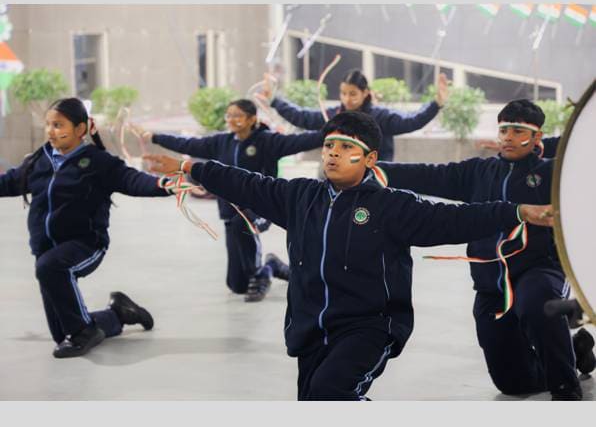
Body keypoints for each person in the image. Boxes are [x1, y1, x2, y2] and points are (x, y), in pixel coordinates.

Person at [144, 110, 554, 400]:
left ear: (370, 159)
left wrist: (517, 211)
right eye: (328, 146)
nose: (333, 154)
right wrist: (190, 167)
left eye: (346, 147)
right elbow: (245, 183)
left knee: (330, 394)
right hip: (310, 328)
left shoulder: (391, 206)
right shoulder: (299, 196)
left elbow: (456, 218)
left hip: (370, 326)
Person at [376, 99, 593, 400]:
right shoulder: (478, 172)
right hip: (490, 283)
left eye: (518, 131)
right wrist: (375, 168)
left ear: (537, 137)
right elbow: (429, 174)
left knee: (537, 305)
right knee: (513, 384)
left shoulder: (554, 173)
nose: (508, 137)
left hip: (539, 269)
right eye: (504, 130)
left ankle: (566, 392)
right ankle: (577, 351)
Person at [0, 98, 174, 358]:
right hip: (45, 249)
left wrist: (165, 185)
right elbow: (8, 183)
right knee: (62, 333)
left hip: (85, 244)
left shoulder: (97, 162)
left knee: (51, 270)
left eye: (58, 125)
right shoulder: (39, 161)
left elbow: (131, 180)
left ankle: (84, 332)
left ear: (80, 129)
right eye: (48, 125)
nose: (51, 131)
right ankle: (119, 313)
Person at [139, 99, 321, 302]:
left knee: (242, 224)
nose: (232, 120)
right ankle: (271, 266)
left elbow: (302, 141)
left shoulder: (268, 141)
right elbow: (188, 144)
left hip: (261, 208)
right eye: (229, 115)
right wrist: (154, 137)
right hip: (229, 211)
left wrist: (333, 132)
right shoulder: (221, 142)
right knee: (237, 285)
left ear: (252, 119)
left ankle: (260, 274)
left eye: (238, 116)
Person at [257, 69, 448, 162]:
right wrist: (274, 100)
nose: (347, 99)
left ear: (365, 93)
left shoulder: (380, 116)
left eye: (353, 94)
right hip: (340, 179)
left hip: (373, 179)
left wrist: (436, 104)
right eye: (343, 93)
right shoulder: (335, 115)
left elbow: (411, 121)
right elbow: (302, 117)